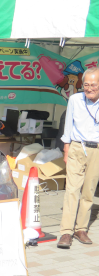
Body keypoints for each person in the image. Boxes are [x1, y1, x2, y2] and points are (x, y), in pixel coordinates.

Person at [58, 67, 99, 249]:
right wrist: (66, 150)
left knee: (88, 191)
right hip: (76, 147)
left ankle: (81, 229)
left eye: (94, 85)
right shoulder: (75, 99)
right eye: (86, 85)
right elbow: (68, 125)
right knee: (72, 190)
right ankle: (66, 232)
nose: (89, 88)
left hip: (96, 149)